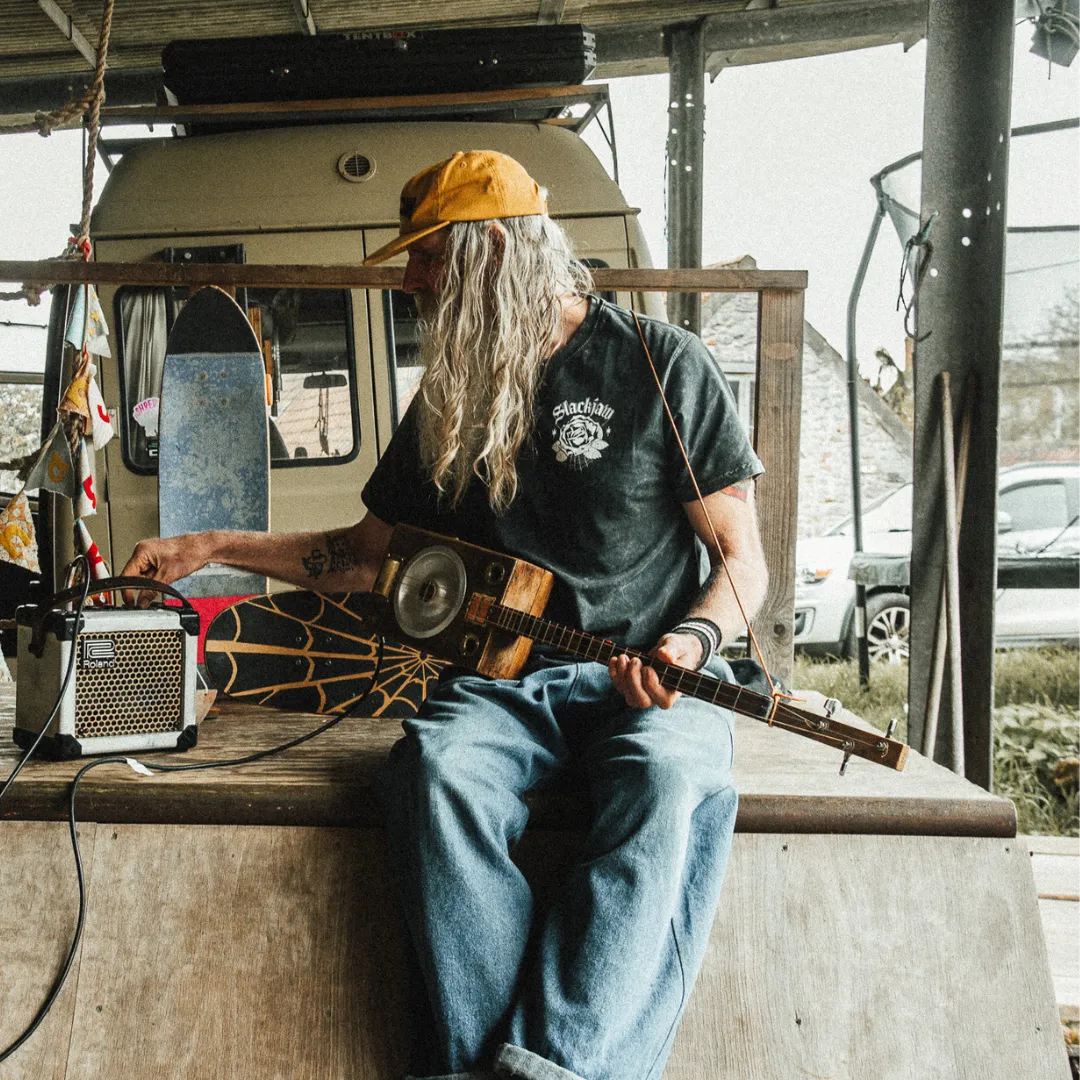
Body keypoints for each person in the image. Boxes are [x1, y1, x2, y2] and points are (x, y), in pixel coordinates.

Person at [123, 150, 769, 1080]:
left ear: (494, 250)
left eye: (427, 259)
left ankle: (543, 1070)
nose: (411, 281)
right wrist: (210, 546)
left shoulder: (657, 362)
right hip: (507, 687)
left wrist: (692, 641)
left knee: (667, 785)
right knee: (433, 770)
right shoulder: (452, 398)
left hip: (652, 681)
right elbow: (361, 556)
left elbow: (744, 562)